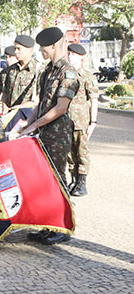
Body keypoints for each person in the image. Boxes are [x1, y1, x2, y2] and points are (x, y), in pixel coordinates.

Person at [20, 27, 79, 245]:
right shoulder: (46, 72)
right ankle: (47, 224)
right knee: (44, 180)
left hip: (57, 135)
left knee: (57, 179)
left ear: (53, 46)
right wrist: (27, 125)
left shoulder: (68, 73)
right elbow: (40, 103)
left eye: (43, 48)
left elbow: (61, 107)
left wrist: (34, 124)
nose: (41, 51)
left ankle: (62, 227)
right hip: (42, 133)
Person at [66, 43, 99, 197]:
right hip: (67, 120)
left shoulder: (87, 75)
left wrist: (93, 122)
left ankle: (82, 182)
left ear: (81, 57)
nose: (70, 57)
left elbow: (93, 100)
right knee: (70, 153)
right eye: (69, 54)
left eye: (73, 54)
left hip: (81, 121)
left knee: (81, 152)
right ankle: (73, 179)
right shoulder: (66, 73)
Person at [1, 35, 38, 111]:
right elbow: (5, 91)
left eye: (19, 49)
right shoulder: (11, 69)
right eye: (15, 48)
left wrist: (23, 106)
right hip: (11, 115)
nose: (15, 52)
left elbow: (40, 97)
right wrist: (4, 105)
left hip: (28, 116)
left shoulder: (39, 70)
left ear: (29, 50)